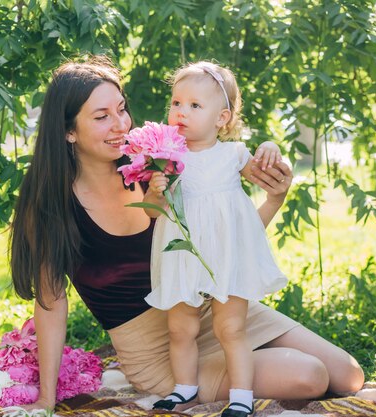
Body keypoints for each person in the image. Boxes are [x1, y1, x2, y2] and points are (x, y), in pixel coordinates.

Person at [9, 56, 364, 413]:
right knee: (310, 376)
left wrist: (274, 198)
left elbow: (225, 236)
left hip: (216, 308)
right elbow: (52, 304)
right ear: (68, 130)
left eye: (121, 109)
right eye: (102, 117)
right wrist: (46, 398)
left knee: (348, 376)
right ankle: (217, 380)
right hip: (159, 351)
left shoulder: (157, 163)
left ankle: (254, 359)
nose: (120, 125)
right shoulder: (50, 205)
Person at [143, 62, 288, 415]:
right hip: (182, 254)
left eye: (195, 105)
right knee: (180, 327)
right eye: (176, 103)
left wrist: (270, 145)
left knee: (231, 327)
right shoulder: (166, 160)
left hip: (226, 255)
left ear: (221, 118)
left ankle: (241, 395)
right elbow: (150, 212)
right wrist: (155, 191)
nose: (181, 112)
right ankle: (184, 388)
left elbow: (268, 173)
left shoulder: (233, 155)